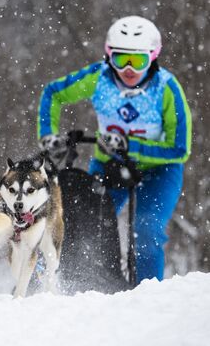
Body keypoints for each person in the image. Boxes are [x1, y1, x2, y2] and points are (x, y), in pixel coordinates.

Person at [37, 16, 192, 283]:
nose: (129, 69)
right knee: (87, 223)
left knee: (146, 229)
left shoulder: (167, 88)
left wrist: (131, 146)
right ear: (109, 57)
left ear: (153, 58)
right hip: (110, 166)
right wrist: (48, 134)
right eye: (121, 59)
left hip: (160, 172)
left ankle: (147, 295)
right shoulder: (99, 78)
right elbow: (54, 93)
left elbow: (179, 149)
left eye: (139, 61)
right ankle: (84, 286)